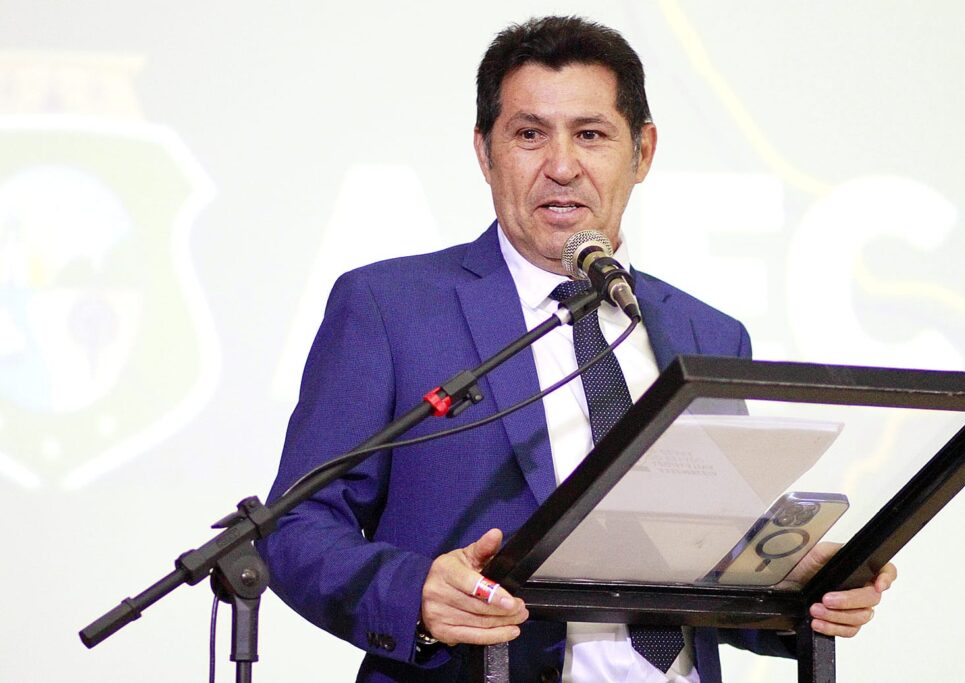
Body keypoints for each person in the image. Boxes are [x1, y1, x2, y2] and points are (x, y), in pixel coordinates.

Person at [260, 15, 896, 682]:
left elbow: (698, 567)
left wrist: (793, 585)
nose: (561, 167)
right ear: (484, 152)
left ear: (642, 152)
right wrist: (416, 593)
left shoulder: (709, 334)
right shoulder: (390, 308)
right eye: (529, 135)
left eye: (591, 135)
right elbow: (296, 524)